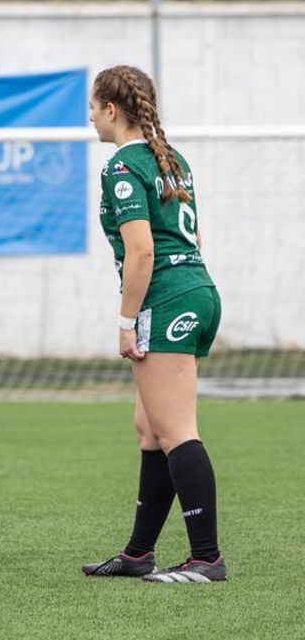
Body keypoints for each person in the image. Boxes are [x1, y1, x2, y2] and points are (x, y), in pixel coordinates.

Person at [83, 65, 226, 583]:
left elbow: (142, 251)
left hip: (166, 300)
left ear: (112, 110)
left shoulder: (123, 166)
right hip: (198, 291)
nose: (91, 118)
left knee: (176, 430)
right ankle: (139, 552)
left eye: (93, 109)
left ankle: (206, 558)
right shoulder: (171, 158)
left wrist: (127, 322)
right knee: (149, 427)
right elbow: (194, 240)